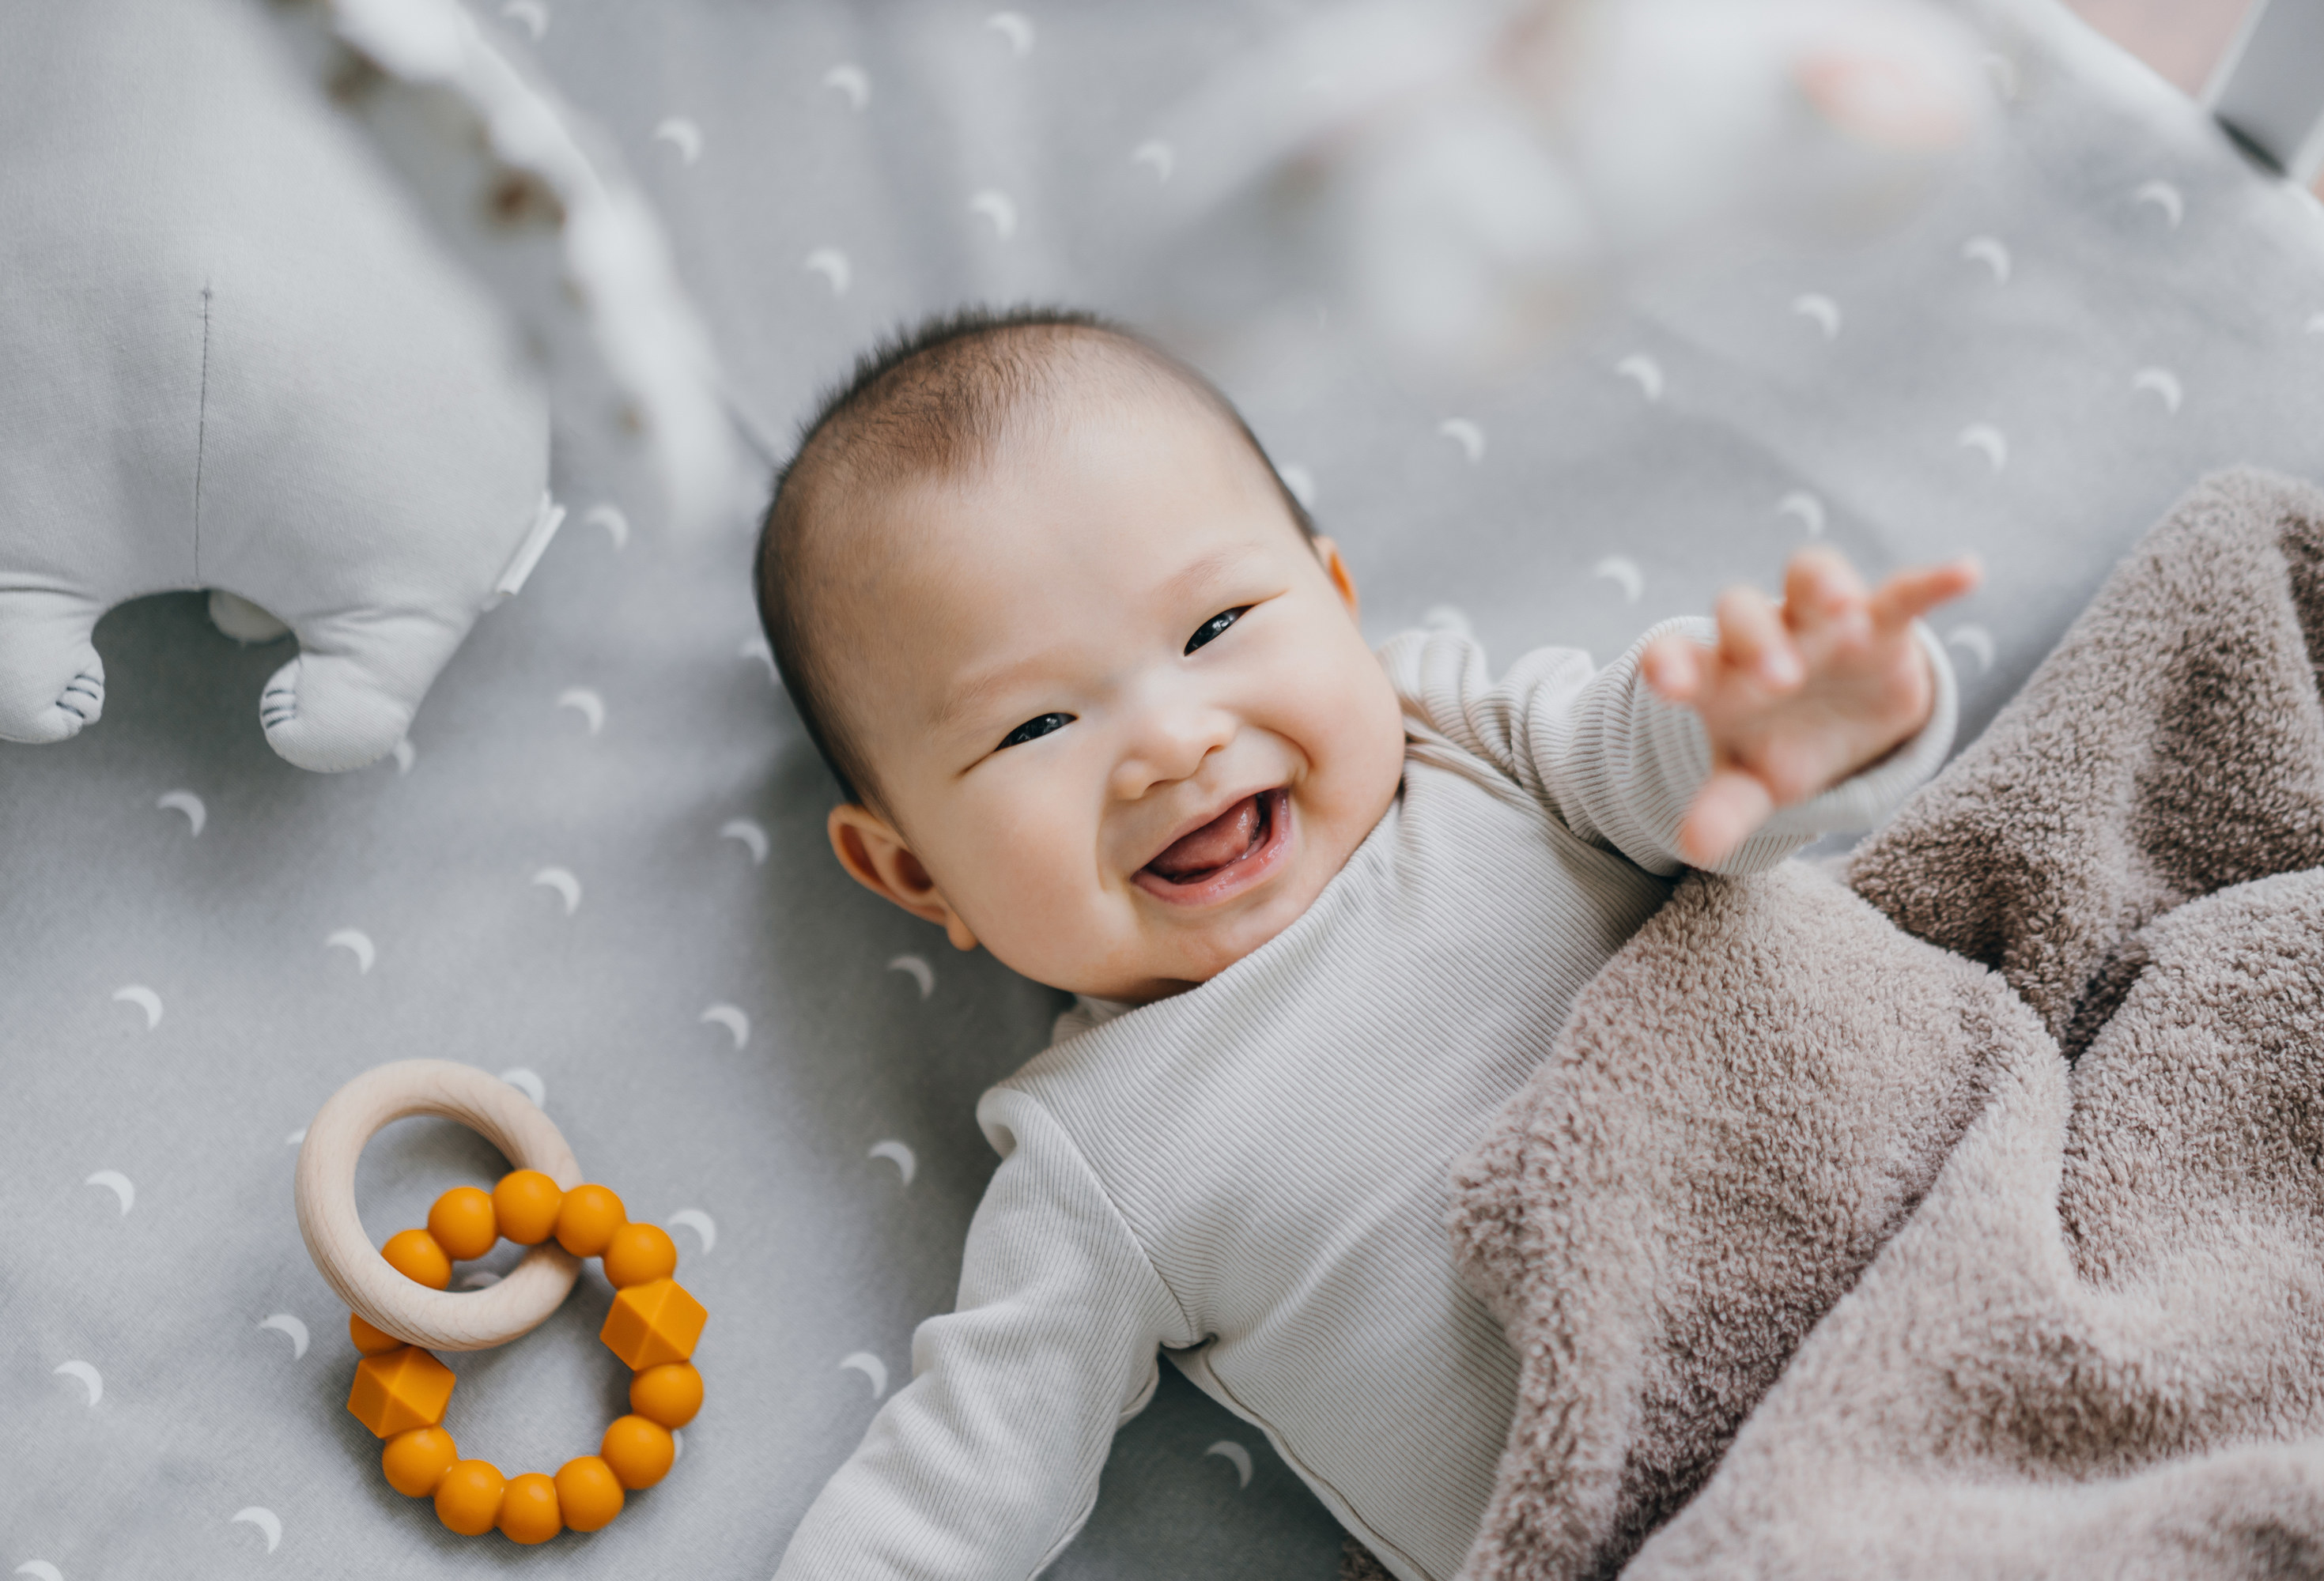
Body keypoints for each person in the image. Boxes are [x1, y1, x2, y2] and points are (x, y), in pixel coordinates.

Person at [755, 307, 1975, 1581]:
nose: (1174, 741)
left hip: (1952, 1254)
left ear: (1337, 603)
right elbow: (958, 1476)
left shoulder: (1471, 745)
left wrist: (1789, 732)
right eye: (1037, 725)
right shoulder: (1101, 1149)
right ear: (911, 873)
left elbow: (1663, 763)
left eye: (1216, 627)